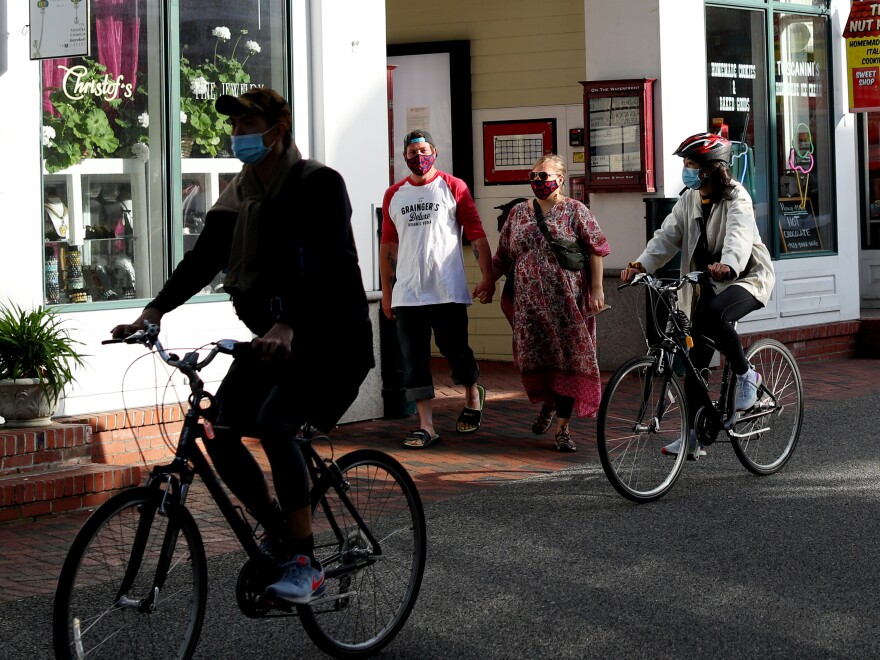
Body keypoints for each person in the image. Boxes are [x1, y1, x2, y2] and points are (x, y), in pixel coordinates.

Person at [111, 88, 374, 604]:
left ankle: (304, 562)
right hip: (276, 341)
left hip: (332, 340)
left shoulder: (318, 183)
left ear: (278, 130)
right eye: (234, 127)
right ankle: (279, 527)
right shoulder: (241, 193)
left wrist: (291, 323)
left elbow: (330, 266)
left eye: (248, 124)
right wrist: (155, 310)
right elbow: (203, 258)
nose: (239, 135)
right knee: (219, 427)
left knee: (276, 423)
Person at [620, 132, 775, 459]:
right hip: (704, 284)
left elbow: (738, 237)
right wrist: (640, 265)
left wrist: (728, 265)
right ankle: (693, 436)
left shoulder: (738, 198)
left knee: (716, 314)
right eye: (686, 164)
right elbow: (666, 237)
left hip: (745, 278)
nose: (687, 170)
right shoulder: (689, 199)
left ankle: (748, 376)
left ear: (711, 168)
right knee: (693, 361)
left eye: (692, 164)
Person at [380, 129, 496, 449]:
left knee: (455, 351)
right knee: (413, 360)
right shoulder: (394, 194)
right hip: (408, 293)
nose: (419, 157)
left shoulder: (453, 186)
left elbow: (476, 233)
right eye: (412, 152)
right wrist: (388, 294)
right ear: (404, 157)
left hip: (447, 290)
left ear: (435, 151)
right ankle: (426, 426)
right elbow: (388, 244)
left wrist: (488, 276)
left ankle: (472, 392)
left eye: (424, 150)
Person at [492, 154, 610, 452]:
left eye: (543, 176)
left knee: (570, 360)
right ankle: (548, 402)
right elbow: (503, 255)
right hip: (529, 308)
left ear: (560, 179)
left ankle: (563, 428)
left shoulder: (575, 211)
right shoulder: (518, 213)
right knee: (536, 359)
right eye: (533, 176)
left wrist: (596, 288)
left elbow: (595, 248)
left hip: (567, 305)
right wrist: (485, 282)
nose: (537, 182)